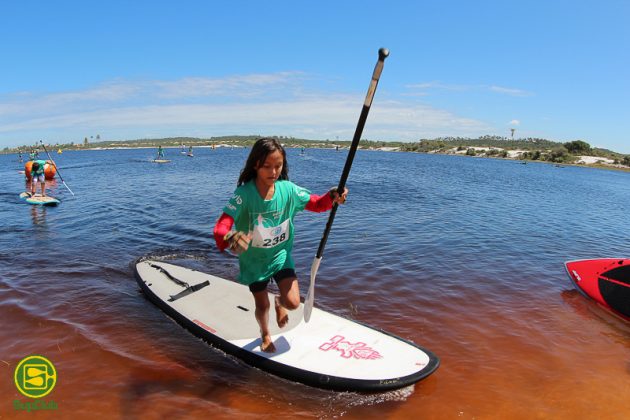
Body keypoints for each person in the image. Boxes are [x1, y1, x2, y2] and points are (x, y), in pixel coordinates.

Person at [213, 137, 347, 353]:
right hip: (254, 262)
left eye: (278, 166)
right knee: (261, 305)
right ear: (255, 164)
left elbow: (317, 204)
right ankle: (265, 333)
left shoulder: (289, 191)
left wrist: (332, 195)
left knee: (293, 302)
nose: (273, 172)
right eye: (267, 166)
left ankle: (280, 303)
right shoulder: (244, 194)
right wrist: (229, 237)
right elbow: (223, 224)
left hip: (280, 256)